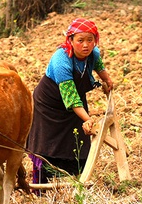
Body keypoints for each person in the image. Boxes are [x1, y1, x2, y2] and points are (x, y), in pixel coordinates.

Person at [28, 18, 114, 182]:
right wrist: (89, 119)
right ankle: (43, 184)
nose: (86, 45)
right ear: (71, 40)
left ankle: (75, 179)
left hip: (75, 104)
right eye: (80, 40)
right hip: (49, 105)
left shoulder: (93, 54)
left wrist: (107, 80)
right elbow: (71, 97)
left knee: (77, 141)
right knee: (47, 143)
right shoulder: (62, 60)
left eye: (90, 40)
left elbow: (99, 67)